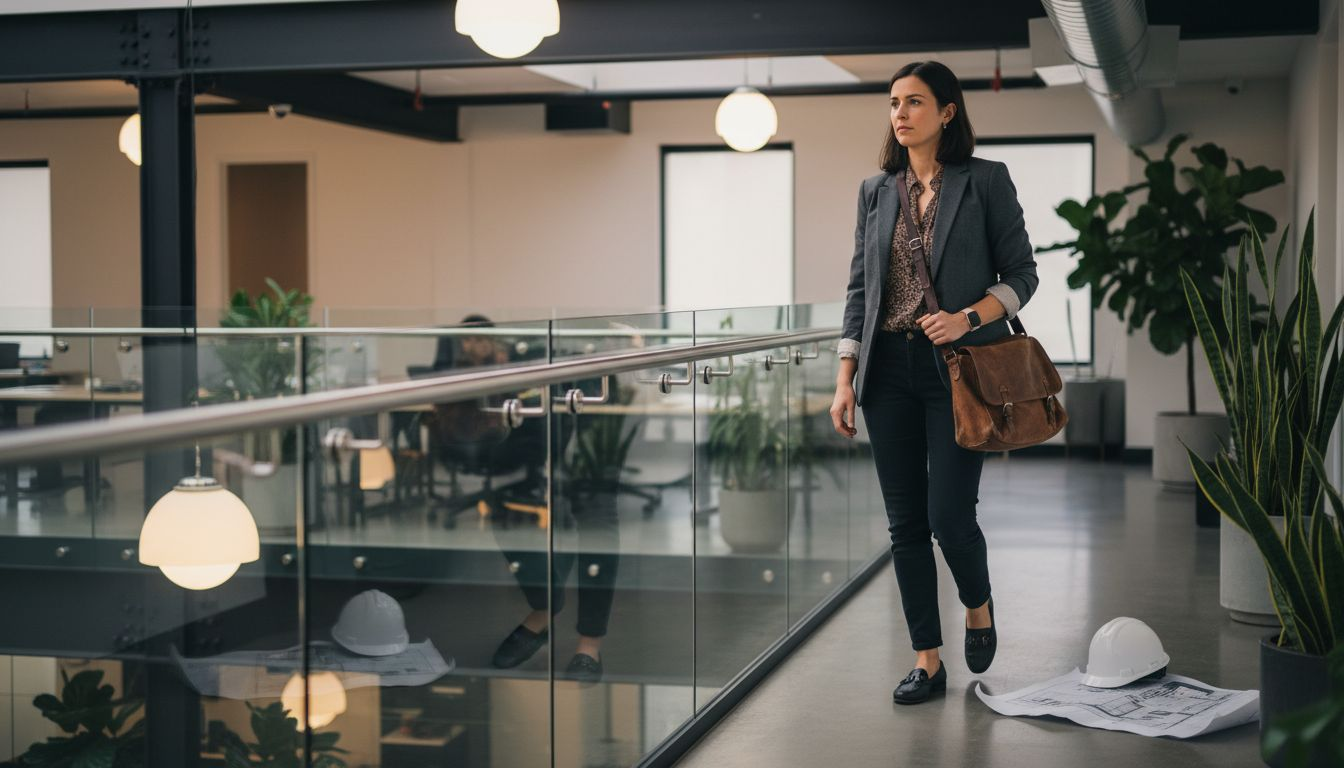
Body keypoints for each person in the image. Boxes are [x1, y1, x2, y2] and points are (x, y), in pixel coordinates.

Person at [829, 61, 1038, 705]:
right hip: (887, 371)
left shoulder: (986, 181)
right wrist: (845, 377)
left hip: (959, 370)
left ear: (947, 111)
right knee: (905, 524)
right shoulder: (875, 191)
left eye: (915, 101)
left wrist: (967, 317)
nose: (901, 113)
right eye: (894, 102)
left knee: (949, 515)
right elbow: (860, 290)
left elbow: (1023, 275)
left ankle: (978, 603)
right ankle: (927, 659)